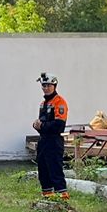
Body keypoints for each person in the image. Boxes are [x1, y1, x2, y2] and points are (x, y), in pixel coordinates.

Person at [32, 71, 69, 199]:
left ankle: (62, 197)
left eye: (48, 85)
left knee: (55, 169)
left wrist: (42, 126)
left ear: (54, 86)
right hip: (43, 141)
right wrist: (37, 126)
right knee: (43, 169)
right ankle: (47, 196)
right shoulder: (43, 104)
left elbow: (59, 126)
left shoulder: (59, 102)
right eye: (44, 86)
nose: (46, 88)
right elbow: (42, 124)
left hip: (54, 141)